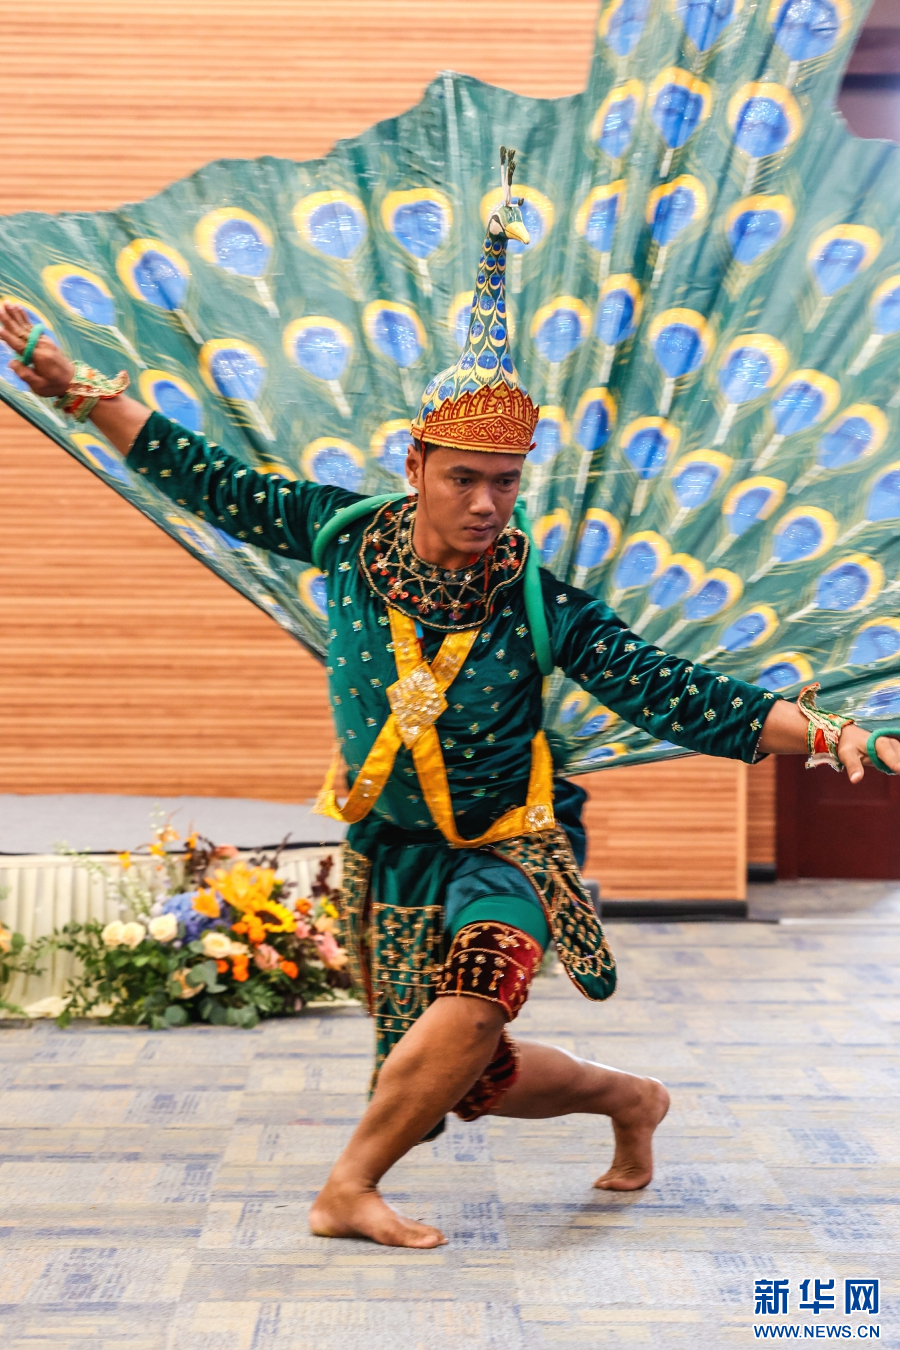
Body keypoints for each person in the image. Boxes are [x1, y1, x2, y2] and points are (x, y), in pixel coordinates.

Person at [2, 158, 897, 1252]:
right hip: (392, 855)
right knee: (467, 1078)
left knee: (473, 1005)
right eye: (463, 477)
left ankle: (346, 1189)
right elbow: (211, 481)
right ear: (417, 463)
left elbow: (680, 693)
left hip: (512, 845)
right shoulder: (342, 536)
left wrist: (834, 733)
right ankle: (631, 1099)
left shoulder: (541, 602)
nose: (485, 503)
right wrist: (73, 387)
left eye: (505, 482)